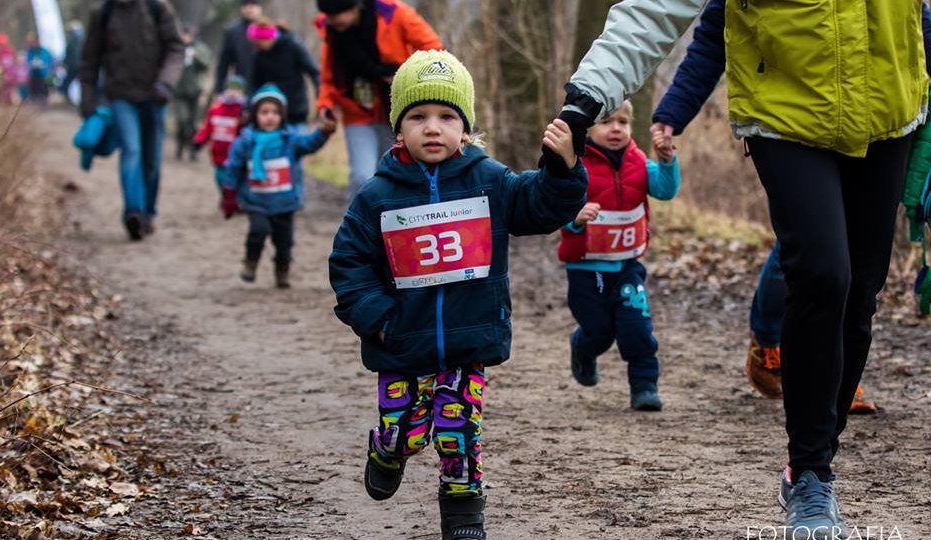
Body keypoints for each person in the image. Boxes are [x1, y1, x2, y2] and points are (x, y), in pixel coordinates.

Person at [562, 1, 927, 536]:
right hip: (785, 114)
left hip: (892, 109)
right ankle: (810, 476)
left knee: (859, 296)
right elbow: (669, 16)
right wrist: (585, 102)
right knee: (825, 274)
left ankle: (816, 453)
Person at [328, 50, 587, 540]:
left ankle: (463, 507)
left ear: (465, 128)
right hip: (402, 342)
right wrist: (379, 318)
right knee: (406, 429)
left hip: (467, 341)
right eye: (418, 116)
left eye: (447, 117)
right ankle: (388, 447)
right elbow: (348, 263)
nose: (433, 128)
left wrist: (565, 168)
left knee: (458, 429)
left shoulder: (490, 182)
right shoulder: (376, 195)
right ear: (397, 128)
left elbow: (541, 206)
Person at [649, 0, 930, 414]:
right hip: (787, 123)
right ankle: (771, 341)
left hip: (877, 125)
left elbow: (915, 24)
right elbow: (715, 32)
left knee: (854, 275)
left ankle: (828, 381)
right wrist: (674, 109)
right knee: (816, 258)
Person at [559, 100, 680, 412]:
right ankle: (583, 348)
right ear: (588, 128)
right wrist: (575, 217)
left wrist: (666, 162)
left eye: (623, 122)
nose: (616, 128)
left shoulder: (638, 162)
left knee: (636, 328)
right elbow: (554, 207)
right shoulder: (577, 165)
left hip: (628, 266)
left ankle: (644, 387)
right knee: (599, 332)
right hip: (587, 269)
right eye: (606, 122)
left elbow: (665, 191)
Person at [314, 0, 443, 199]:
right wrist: (325, 106)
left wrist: (404, 76)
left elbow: (433, 49)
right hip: (356, 112)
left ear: (356, 5)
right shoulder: (330, 31)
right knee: (362, 176)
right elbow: (328, 78)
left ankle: (397, 227)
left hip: (398, 110)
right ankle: (359, 227)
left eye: (341, 12)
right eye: (330, 16)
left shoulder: (394, 13)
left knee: (395, 175)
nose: (335, 20)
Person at [79, 0, 184, 241]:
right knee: (131, 150)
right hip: (121, 96)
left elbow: (176, 49)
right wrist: (88, 100)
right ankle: (133, 212)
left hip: (156, 96)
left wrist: (166, 83)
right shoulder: (103, 13)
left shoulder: (157, 8)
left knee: (152, 159)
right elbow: (89, 60)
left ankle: (148, 212)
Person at [220, 85, 334, 288]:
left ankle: (282, 270)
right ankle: (251, 260)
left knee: (284, 243)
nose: (270, 117)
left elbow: (310, 143)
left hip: (284, 203)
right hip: (256, 202)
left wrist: (324, 131)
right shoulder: (245, 142)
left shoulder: (290, 140)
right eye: (264, 112)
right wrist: (229, 194)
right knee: (257, 231)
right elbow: (233, 168)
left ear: (282, 115)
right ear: (255, 115)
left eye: (275, 112)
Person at [246, 18, 319, 126]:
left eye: (258, 43)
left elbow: (313, 72)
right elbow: (255, 84)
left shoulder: (293, 46)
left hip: (295, 109)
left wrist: (320, 97)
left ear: (268, 38)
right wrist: (249, 106)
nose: (257, 46)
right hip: (272, 113)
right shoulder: (259, 55)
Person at [194, 74, 247, 192]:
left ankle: (235, 198)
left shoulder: (242, 112)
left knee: (234, 179)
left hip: (235, 155)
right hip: (218, 154)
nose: (233, 93)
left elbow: (245, 133)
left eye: (237, 90)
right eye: (230, 89)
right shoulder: (215, 110)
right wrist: (199, 141)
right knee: (219, 178)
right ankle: (226, 197)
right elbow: (208, 128)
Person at [173, 27, 213, 161]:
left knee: (193, 123)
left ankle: (192, 150)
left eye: (188, 35)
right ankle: (179, 146)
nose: (186, 37)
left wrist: (195, 55)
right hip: (178, 91)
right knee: (182, 119)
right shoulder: (176, 47)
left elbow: (206, 64)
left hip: (196, 91)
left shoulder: (200, 48)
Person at [214, 0, 261, 96]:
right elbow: (224, 63)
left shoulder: (267, 29)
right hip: (240, 86)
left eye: (253, 5)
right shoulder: (233, 32)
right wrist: (219, 90)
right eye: (246, 5)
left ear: (259, 8)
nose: (249, 9)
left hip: (264, 86)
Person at [24, 33, 53, 105]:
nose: (34, 44)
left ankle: (44, 98)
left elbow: (49, 60)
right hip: (33, 73)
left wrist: (46, 67)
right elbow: (27, 61)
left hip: (43, 73)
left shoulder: (44, 51)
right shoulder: (30, 51)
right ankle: (34, 99)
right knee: (33, 85)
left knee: (43, 85)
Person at [60, 21, 84, 104]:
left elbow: (70, 54)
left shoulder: (75, 41)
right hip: (77, 65)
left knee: (69, 82)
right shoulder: (78, 40)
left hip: (75, 66)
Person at [0, 33, 17, 105]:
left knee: (9, 85)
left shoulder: (10, 49)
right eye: (0, 43)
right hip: (2, 71)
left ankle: (9, 99)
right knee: (3, 86)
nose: (2, 44)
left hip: (10, 71)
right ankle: (4, 100)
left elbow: (13, 59)